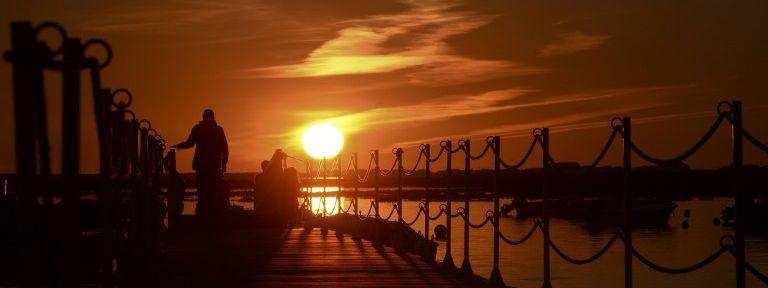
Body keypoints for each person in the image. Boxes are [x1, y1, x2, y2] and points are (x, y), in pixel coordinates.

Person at [172, 109, 229, 224]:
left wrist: (223, 166)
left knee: (208, 191)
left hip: (209, 165)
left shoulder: (207, 129)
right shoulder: (207, 129)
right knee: (206, 191)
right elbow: (225, 149)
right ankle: (207, 215)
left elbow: (224, 149)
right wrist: (180, 146)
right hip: (207, 165)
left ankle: (207, 215)